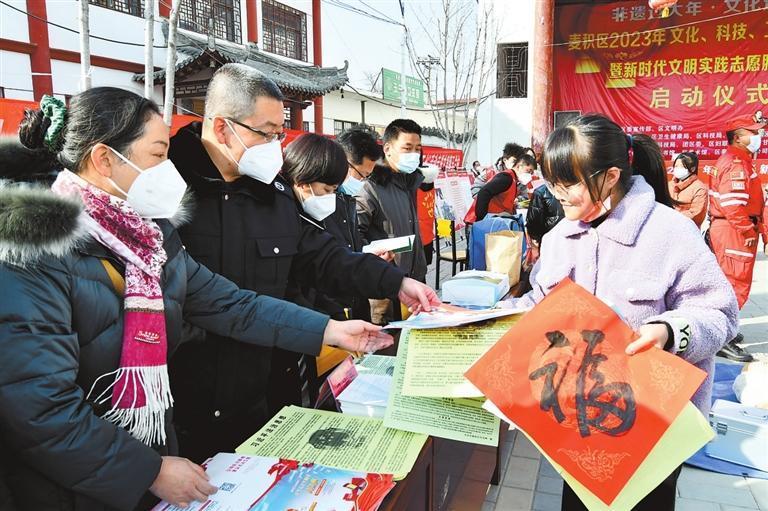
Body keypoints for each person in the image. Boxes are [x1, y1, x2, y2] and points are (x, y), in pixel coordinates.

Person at [0, 88, 392, 511]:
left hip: (146, 459)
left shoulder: (150, 239)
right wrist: (147, 471)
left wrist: (330, 330)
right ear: (104, 159)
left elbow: (232, 305)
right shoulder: (33, 256)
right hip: (69, 488)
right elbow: (37, 407)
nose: (167, 169)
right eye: (157, 154)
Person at [167, 64, 439, 463]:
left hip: (261, 391)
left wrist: (395, 282)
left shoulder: (270, 192)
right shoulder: (166, 189)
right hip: (184, 408)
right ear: (222, 128)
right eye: (266, 133)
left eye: (280, 134)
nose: (275, 146)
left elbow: (323, 256)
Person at [499, 114, 738, 511]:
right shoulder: (560, 238)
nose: (557, 194)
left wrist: (669, 331)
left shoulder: (670, 233)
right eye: (552, 182)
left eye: (568, 183)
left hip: (652, 427)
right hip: (576, 423)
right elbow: (538, 304)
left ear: (611, 176)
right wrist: (483, 319)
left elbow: (719, 313)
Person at [707, 115, 766, 362]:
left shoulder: (740, 160)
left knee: (732, 281)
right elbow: (733, 205)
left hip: (732, 230)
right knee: (734, 284)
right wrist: (747, 231)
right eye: (753, 132)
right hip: (735, 232)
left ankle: (726, 329)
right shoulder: (736, 163)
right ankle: (722, 337)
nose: (759, 136)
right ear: (738, 137)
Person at [356, 119, 428, 281]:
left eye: (418, 149)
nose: (414, 155)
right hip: (386, 279)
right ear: (387, 149)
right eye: (407, 148)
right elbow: (354, 236)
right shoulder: (370, 186)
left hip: (416, 275)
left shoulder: (410, 181)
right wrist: (376, 262)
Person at [470, 153, 537, 222]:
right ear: (519, 166)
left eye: (531, 173)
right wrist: (482, 219)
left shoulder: (514, 181)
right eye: (528, 171)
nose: (529, 175)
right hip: (486, 221)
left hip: (496, 220)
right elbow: (484, 192)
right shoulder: (506, 178)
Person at [669, 151, 707, 228]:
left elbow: (696, 213)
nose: (677, 169)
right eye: (676, 166)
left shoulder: (699, 188)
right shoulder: (669, 185)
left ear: (692, 169)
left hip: (687, 229)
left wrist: (673, 217)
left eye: (682, 166)